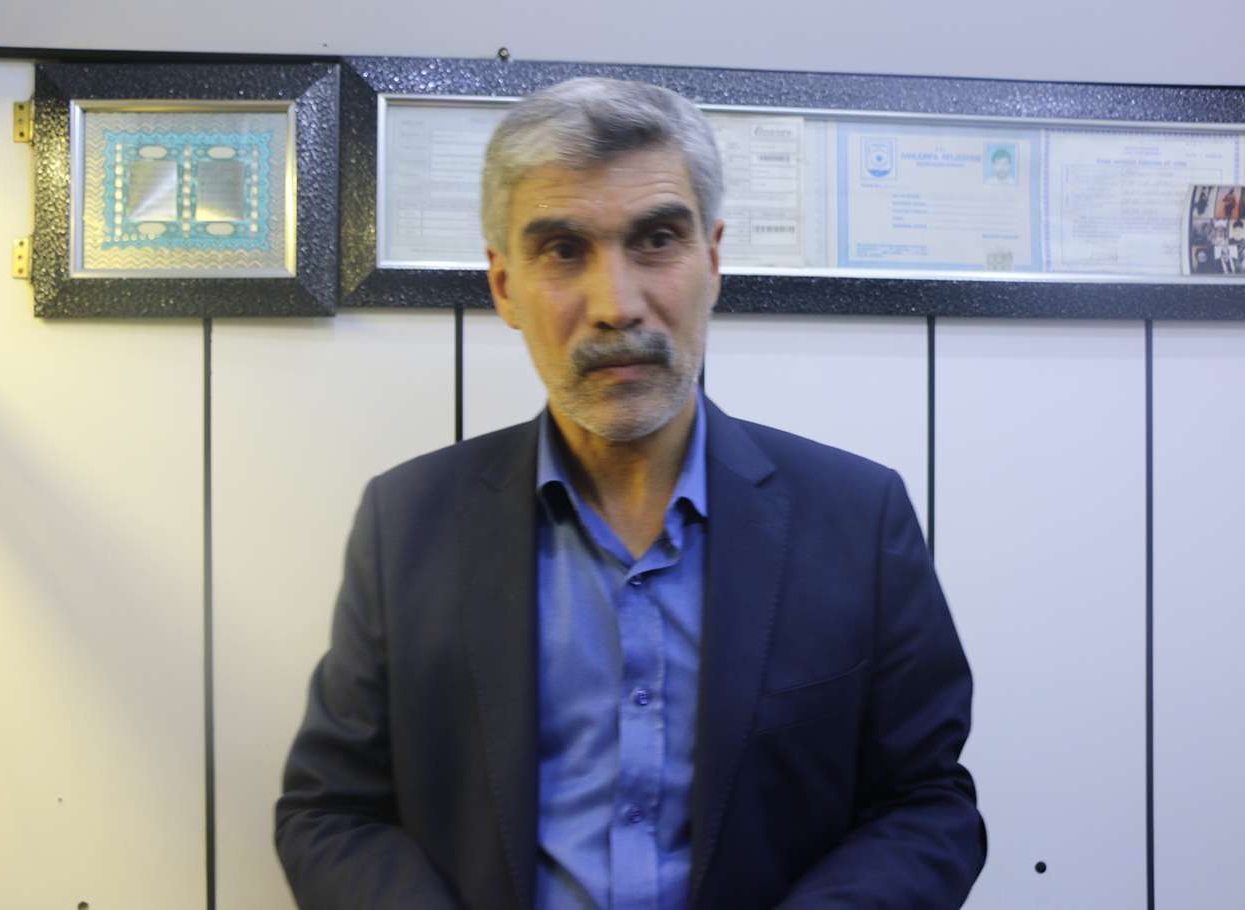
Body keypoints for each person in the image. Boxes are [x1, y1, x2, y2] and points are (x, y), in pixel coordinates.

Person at [276, 77, 985, 910]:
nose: (616, 305)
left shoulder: (856, 520)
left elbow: (926, 805)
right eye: (562, 250)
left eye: (655, 240)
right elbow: (332, 811)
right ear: (503, 286)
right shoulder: (407, 524)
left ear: (712, 262)